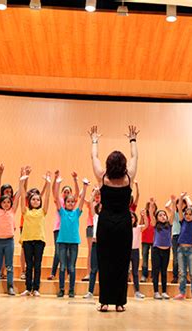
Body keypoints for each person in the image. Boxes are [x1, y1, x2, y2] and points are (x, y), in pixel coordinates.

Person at [88, 125, 138, 312]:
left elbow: (94, 157)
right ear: (123, 165)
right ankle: (119, 303)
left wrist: (94, 140)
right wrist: (132, 140)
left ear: (109, 164)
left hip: (106, 224)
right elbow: (135, 157)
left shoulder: (103, 178)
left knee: (105, 261)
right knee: (122, 261)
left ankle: (104, 302)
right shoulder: (128, 178)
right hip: (124, 223)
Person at [54, 173, 89, 298]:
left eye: (71, 202)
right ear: (65, 203)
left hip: (74, 242)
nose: (70, 203)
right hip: (62, 241)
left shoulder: (76, 212)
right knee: (62, 266)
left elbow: (81, 198)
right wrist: (57, 183)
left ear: (74, 203)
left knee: (72, 267)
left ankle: (71, 290)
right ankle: (62, 289)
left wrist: (85, 187)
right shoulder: (62, 212)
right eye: (68, 201)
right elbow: (56, 197)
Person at [0, 176, 21, 296]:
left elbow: (18, 195)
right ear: (0, 203)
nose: (6, 204)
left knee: (9, 265)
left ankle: (10, 287)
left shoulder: (13, 210)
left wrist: (21, 180)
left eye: (8, 202)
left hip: (9, 241)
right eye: (4, 202)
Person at [19, 172, 51, 297]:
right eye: (33, 199)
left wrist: (48, 183)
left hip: (39, 241)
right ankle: (28, 288)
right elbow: (22, 196)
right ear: (29, 201)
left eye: (38, 199)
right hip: (27, 240)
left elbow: (47, 197)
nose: (36, 201)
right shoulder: (25, 211)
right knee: (29, 265)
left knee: (37, 265)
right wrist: (21, 183)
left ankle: (36, 288)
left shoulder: (43, 211)